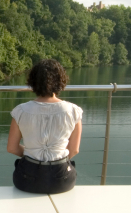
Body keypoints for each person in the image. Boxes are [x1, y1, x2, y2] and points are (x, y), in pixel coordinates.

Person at [7, 59, 83, 194]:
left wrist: (32, 152)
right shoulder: (73, 111)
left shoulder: (21, 111)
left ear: (33, 82)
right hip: (62, 180)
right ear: (61, 81)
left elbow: (12, 148)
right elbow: (74, 150)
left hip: (27, 180)